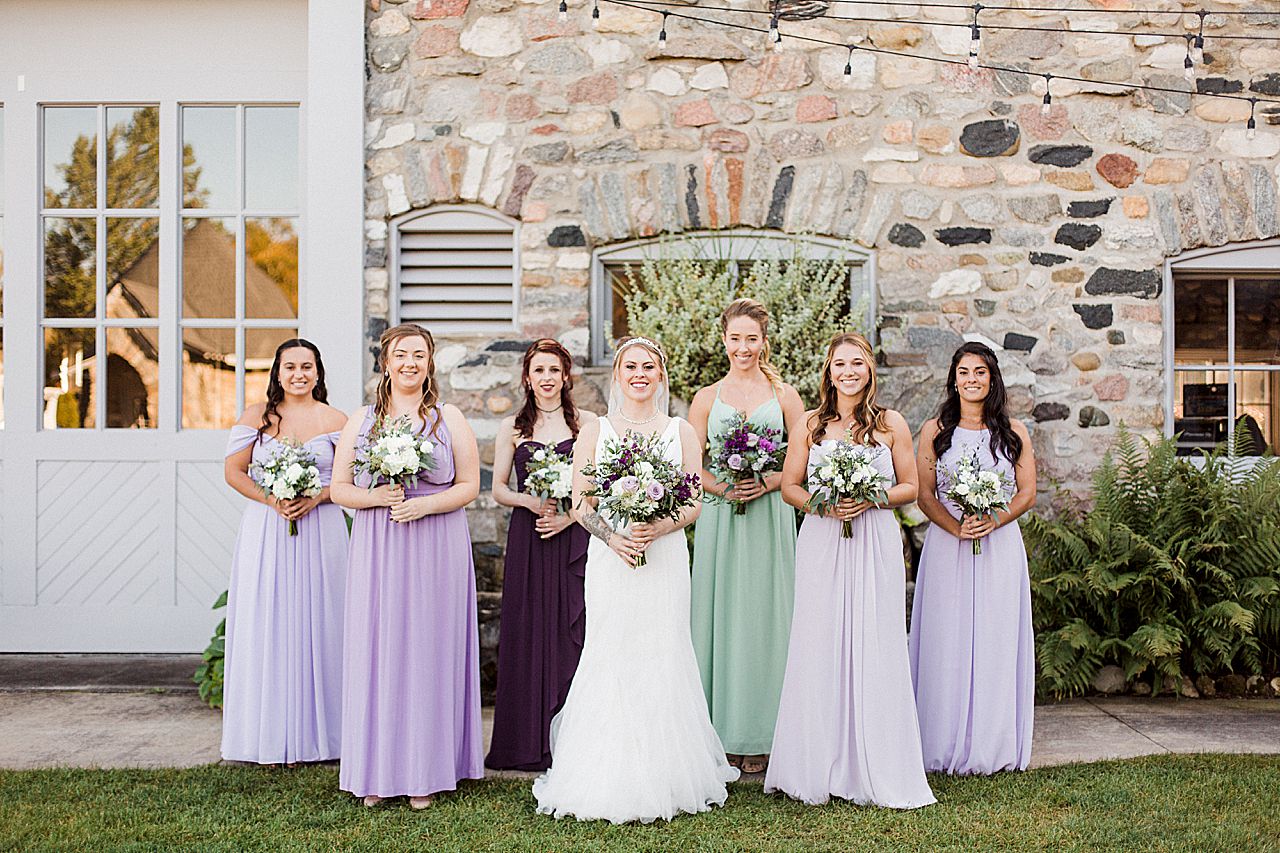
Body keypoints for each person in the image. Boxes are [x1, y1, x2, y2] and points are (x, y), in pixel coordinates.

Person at [532, 336, 739, 824]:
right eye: (631, 366)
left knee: (663, 651)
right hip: (610, 560)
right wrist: (614, 537)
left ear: (661, 375)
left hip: (663, 559)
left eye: (649, 366)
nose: (640, 374)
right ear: (618, 375)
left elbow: (691, 503)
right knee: (612, 650)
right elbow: (581, 502)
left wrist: (656, 527)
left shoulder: (681, 430)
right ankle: (603, 770)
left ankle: (666, 771)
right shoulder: (594, 430)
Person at [765, 332, 935, 809]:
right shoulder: (809, 424)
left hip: (874, 538)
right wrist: (822, 504)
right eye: (840, 364)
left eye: (857, 363)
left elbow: (911, 486)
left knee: (875, 639)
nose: (848, 372)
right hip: (822, 541)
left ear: (870, 370)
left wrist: (871, 497)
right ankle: (816, 762)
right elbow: (790, 488)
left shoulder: (890, 423)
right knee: (820, 640)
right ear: (829, 371)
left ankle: (875, 762)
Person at [330, 323, 483, 808]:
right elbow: (338, 489)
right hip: (380, 545)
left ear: (430, 362)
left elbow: (469, 486)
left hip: (436, 542)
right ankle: (376, 771)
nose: (410, 363)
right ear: (385, 363)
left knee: (427, 650)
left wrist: (425, 506)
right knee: (379, 650)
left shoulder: (448, 417)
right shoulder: (361, 421)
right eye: (401, 355)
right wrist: (375, 497)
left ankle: (425, 771)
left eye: (419, 354)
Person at [687, 299, 805, 776]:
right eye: (735, 338)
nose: (743, 347)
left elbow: (806, 457)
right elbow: (689, 464)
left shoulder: (786, 396)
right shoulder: (705, 398)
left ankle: (765, 732)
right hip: (720, 515)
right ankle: (720, 734)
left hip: (769, 515)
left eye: (751, 338)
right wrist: (724, 487)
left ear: (764, 341)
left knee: (766, 615)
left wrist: (770, 481)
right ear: (723, 340)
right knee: (721, 614)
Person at [910, 342, 1036, 775]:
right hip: (949, 546)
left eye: (980, 372)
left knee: (995, 638)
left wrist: (993, 520)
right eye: (964, 372)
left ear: (992, 378)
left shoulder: (1014, 430)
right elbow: (925, 495)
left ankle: (992, 741)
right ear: (954, 378)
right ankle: (940, 742)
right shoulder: (934, 430)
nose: (971, 380)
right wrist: (956, 527)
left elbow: (1027, 493)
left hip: (999, 547)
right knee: (948, 638)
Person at [221, 339, 349, 765]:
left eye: (307, 366)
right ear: (277, 372)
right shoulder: (256, 418)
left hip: (322, 529)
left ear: (318, 372)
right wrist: (271, 499)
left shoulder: (336, 420)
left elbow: (353, 481)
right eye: (290, 366)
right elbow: (234, 472)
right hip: (268, 529)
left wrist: (318, 496)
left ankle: (327, 737)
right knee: (268, 619)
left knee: (324, 620)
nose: (299, 374)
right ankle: (266, 736)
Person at [486, 339, 596, 771]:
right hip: (529, 536)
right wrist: (530, 503)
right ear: (527, 379)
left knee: (575, 628)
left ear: (566, 376)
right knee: (528, 629)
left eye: (554, 370)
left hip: (571, 537)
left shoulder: (588, 423)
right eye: (539, 371)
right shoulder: (512, 427)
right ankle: (525, 741)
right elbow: (497, 489)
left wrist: (568, 519)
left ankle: (571, 741)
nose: (547, 378)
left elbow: (598, 488)